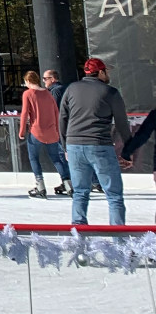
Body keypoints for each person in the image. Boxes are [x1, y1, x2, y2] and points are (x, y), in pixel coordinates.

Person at [59, 57, 131, 225]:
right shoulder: (110, 92)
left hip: (74, 145)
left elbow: (62, 118)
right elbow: (122, 123)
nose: (107, 74)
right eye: (106, 71)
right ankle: (118, 243)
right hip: (99, 145)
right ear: (100, 72)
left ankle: (78, 239)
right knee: (114, 195)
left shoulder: (71, 89)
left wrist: (65, 147)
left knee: (80, 193)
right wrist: (129, 150)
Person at [19, 70, 71, 198]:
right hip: (51, 132)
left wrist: (21, 131)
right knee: (57, 159)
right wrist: (57, 131)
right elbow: (56, 113)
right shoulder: (48, 94)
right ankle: (68, 183)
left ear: (28, 81)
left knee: (34, 158)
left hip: (36, 131)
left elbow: (25, 113)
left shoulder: (28, 94)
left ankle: (40, 185)